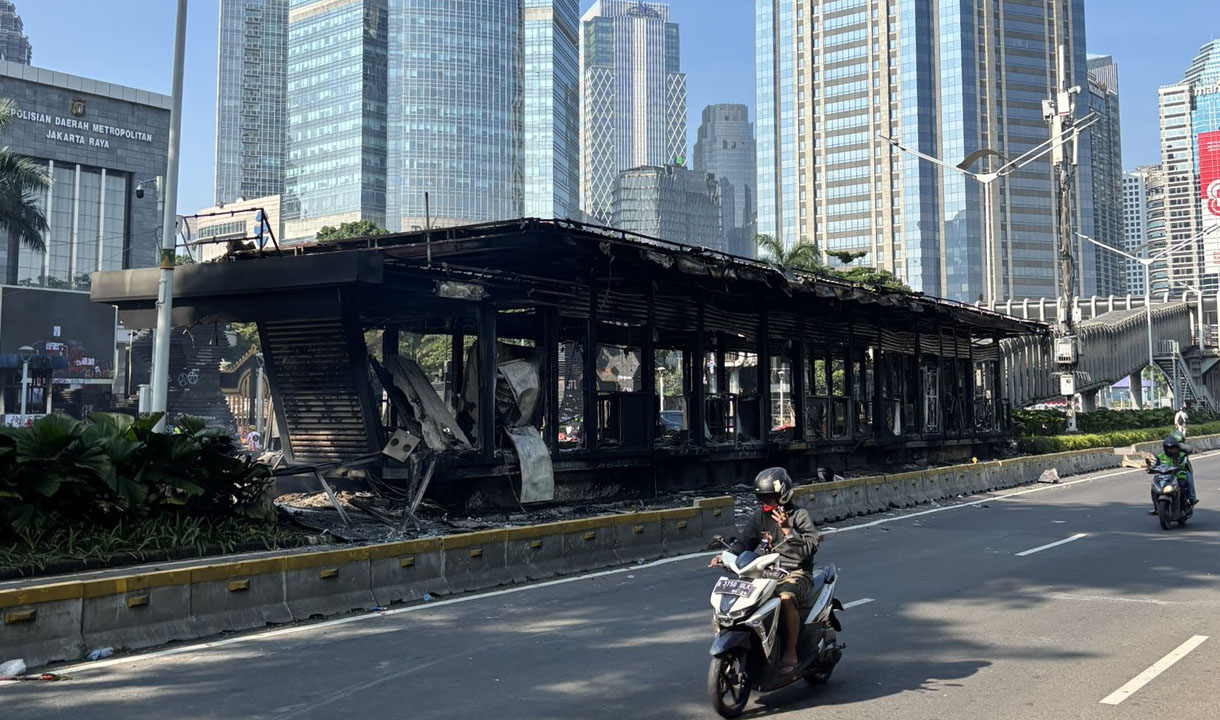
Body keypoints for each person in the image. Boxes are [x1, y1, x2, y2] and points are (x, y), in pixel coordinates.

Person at [710, 467, 820, 679]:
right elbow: (744, 543)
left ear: (783, 495)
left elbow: (810, 547)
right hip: (764, 572)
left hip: (795, 572)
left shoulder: (799, 516)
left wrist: (788, 530)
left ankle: (790, 652)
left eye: (769, 497)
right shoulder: (759, 518)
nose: (764, 502)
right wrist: (725, 556)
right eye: (761, 498)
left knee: (785, 598)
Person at [1148, 431, 1197, 514]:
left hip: (1179, 475)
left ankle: (1184, 507)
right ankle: (1156, 508)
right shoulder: (1160, 456)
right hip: (1164, 476)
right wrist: (1151, 468)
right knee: (1154, 488)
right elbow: (1155, 465)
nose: (1171, 450)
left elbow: (1186, 456)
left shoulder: (1182, 455)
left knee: (1182, 486)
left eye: (1173, 448)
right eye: (1169, 448)